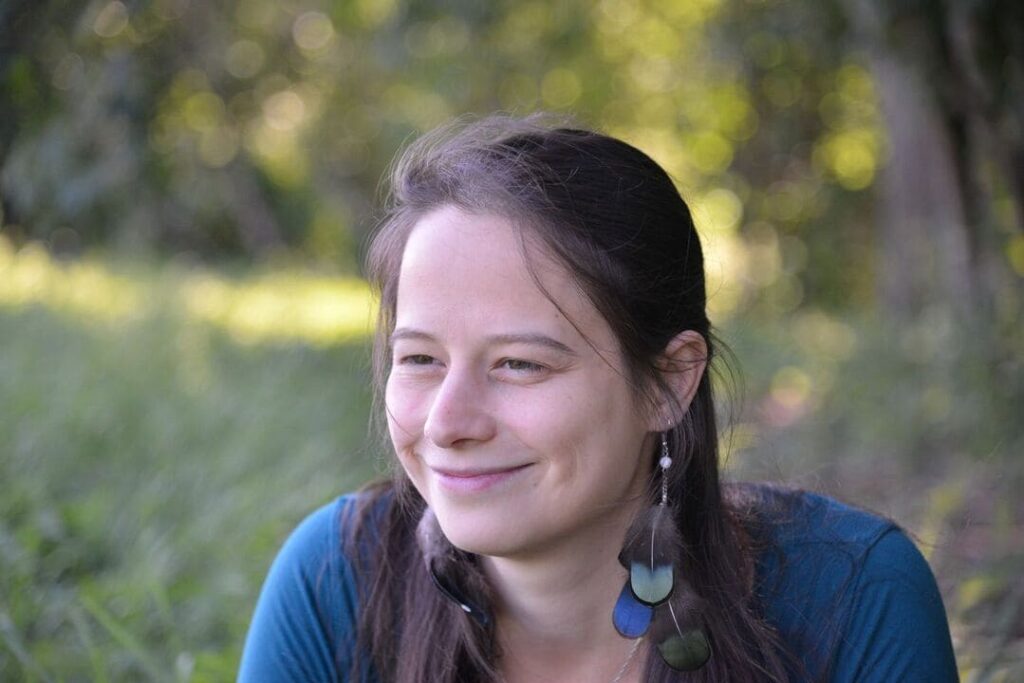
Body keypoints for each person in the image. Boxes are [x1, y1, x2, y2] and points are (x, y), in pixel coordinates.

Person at [237, 115, 958, 682]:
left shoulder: (853, 599)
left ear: (669, 382)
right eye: (420, 359)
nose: (447, 423)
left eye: (519, 364)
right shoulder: (337, 583)